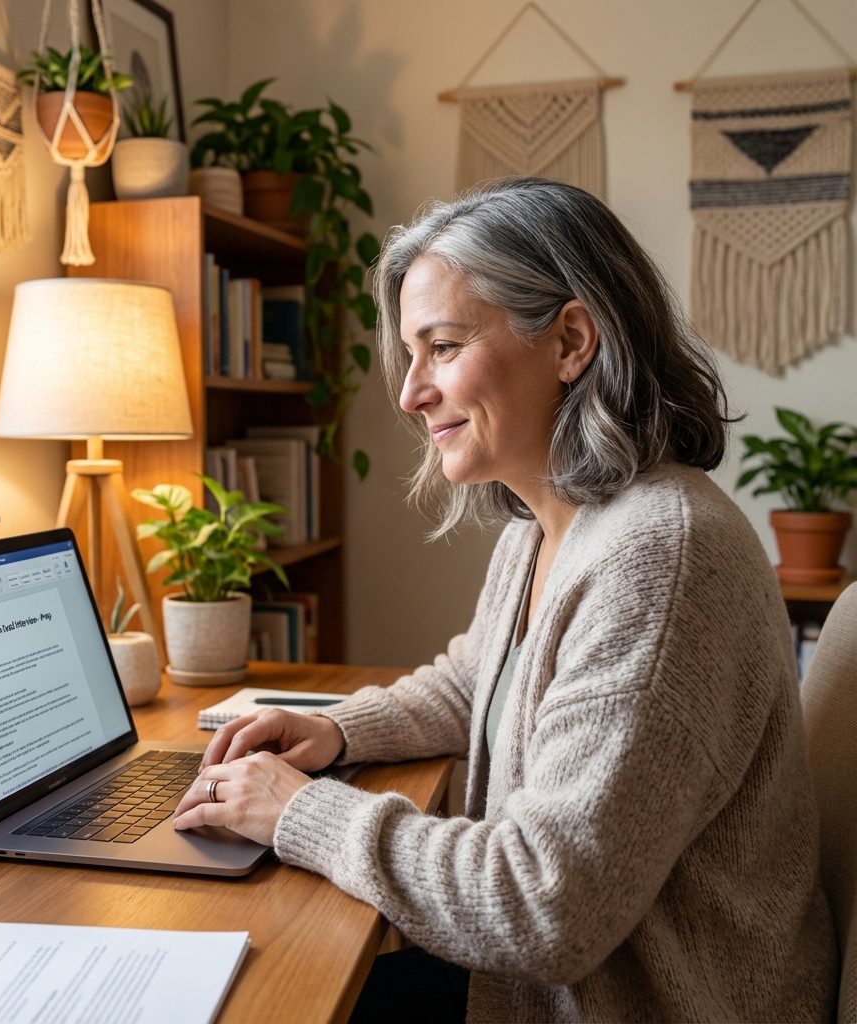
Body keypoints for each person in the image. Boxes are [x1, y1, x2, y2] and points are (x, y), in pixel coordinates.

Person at [173, 178, 837, 1023]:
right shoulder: (549, 521)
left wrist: (300, 811)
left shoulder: (661, 554)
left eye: (443, 347)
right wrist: (338, 729)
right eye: (411, 355)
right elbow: (475, 682)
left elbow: (543, 906)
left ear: (569, 340)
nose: (411, 393)